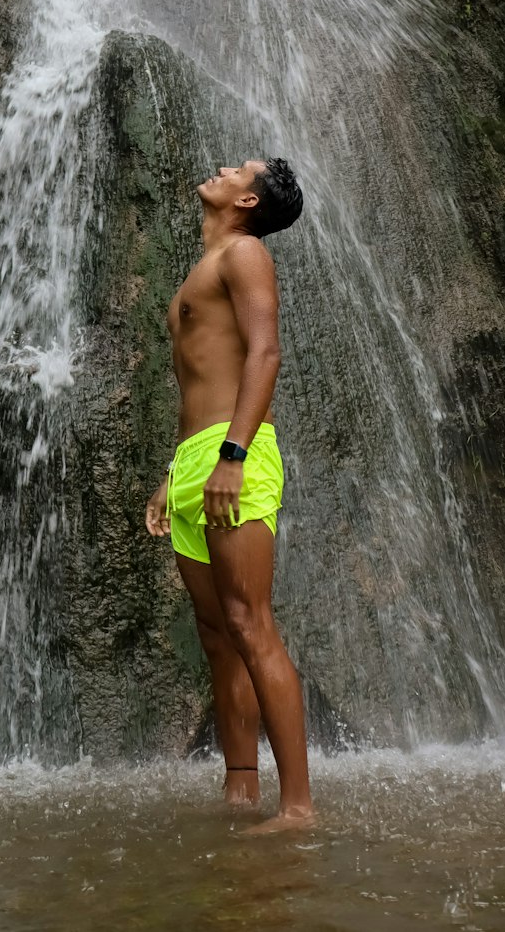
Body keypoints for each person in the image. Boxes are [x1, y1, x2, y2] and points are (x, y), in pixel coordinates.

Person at [145, 158, 314, 833]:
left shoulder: (244, 253)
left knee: (251, 624)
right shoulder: (206, 264)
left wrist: (234, 455)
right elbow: (200, 379)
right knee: (217, 636)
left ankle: (298, 807)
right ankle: (241, 788)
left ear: (248, 200)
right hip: (196, 460)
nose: (222, 166)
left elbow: (264, 353)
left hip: (234, 453)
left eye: (238, 168)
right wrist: (176, 471)